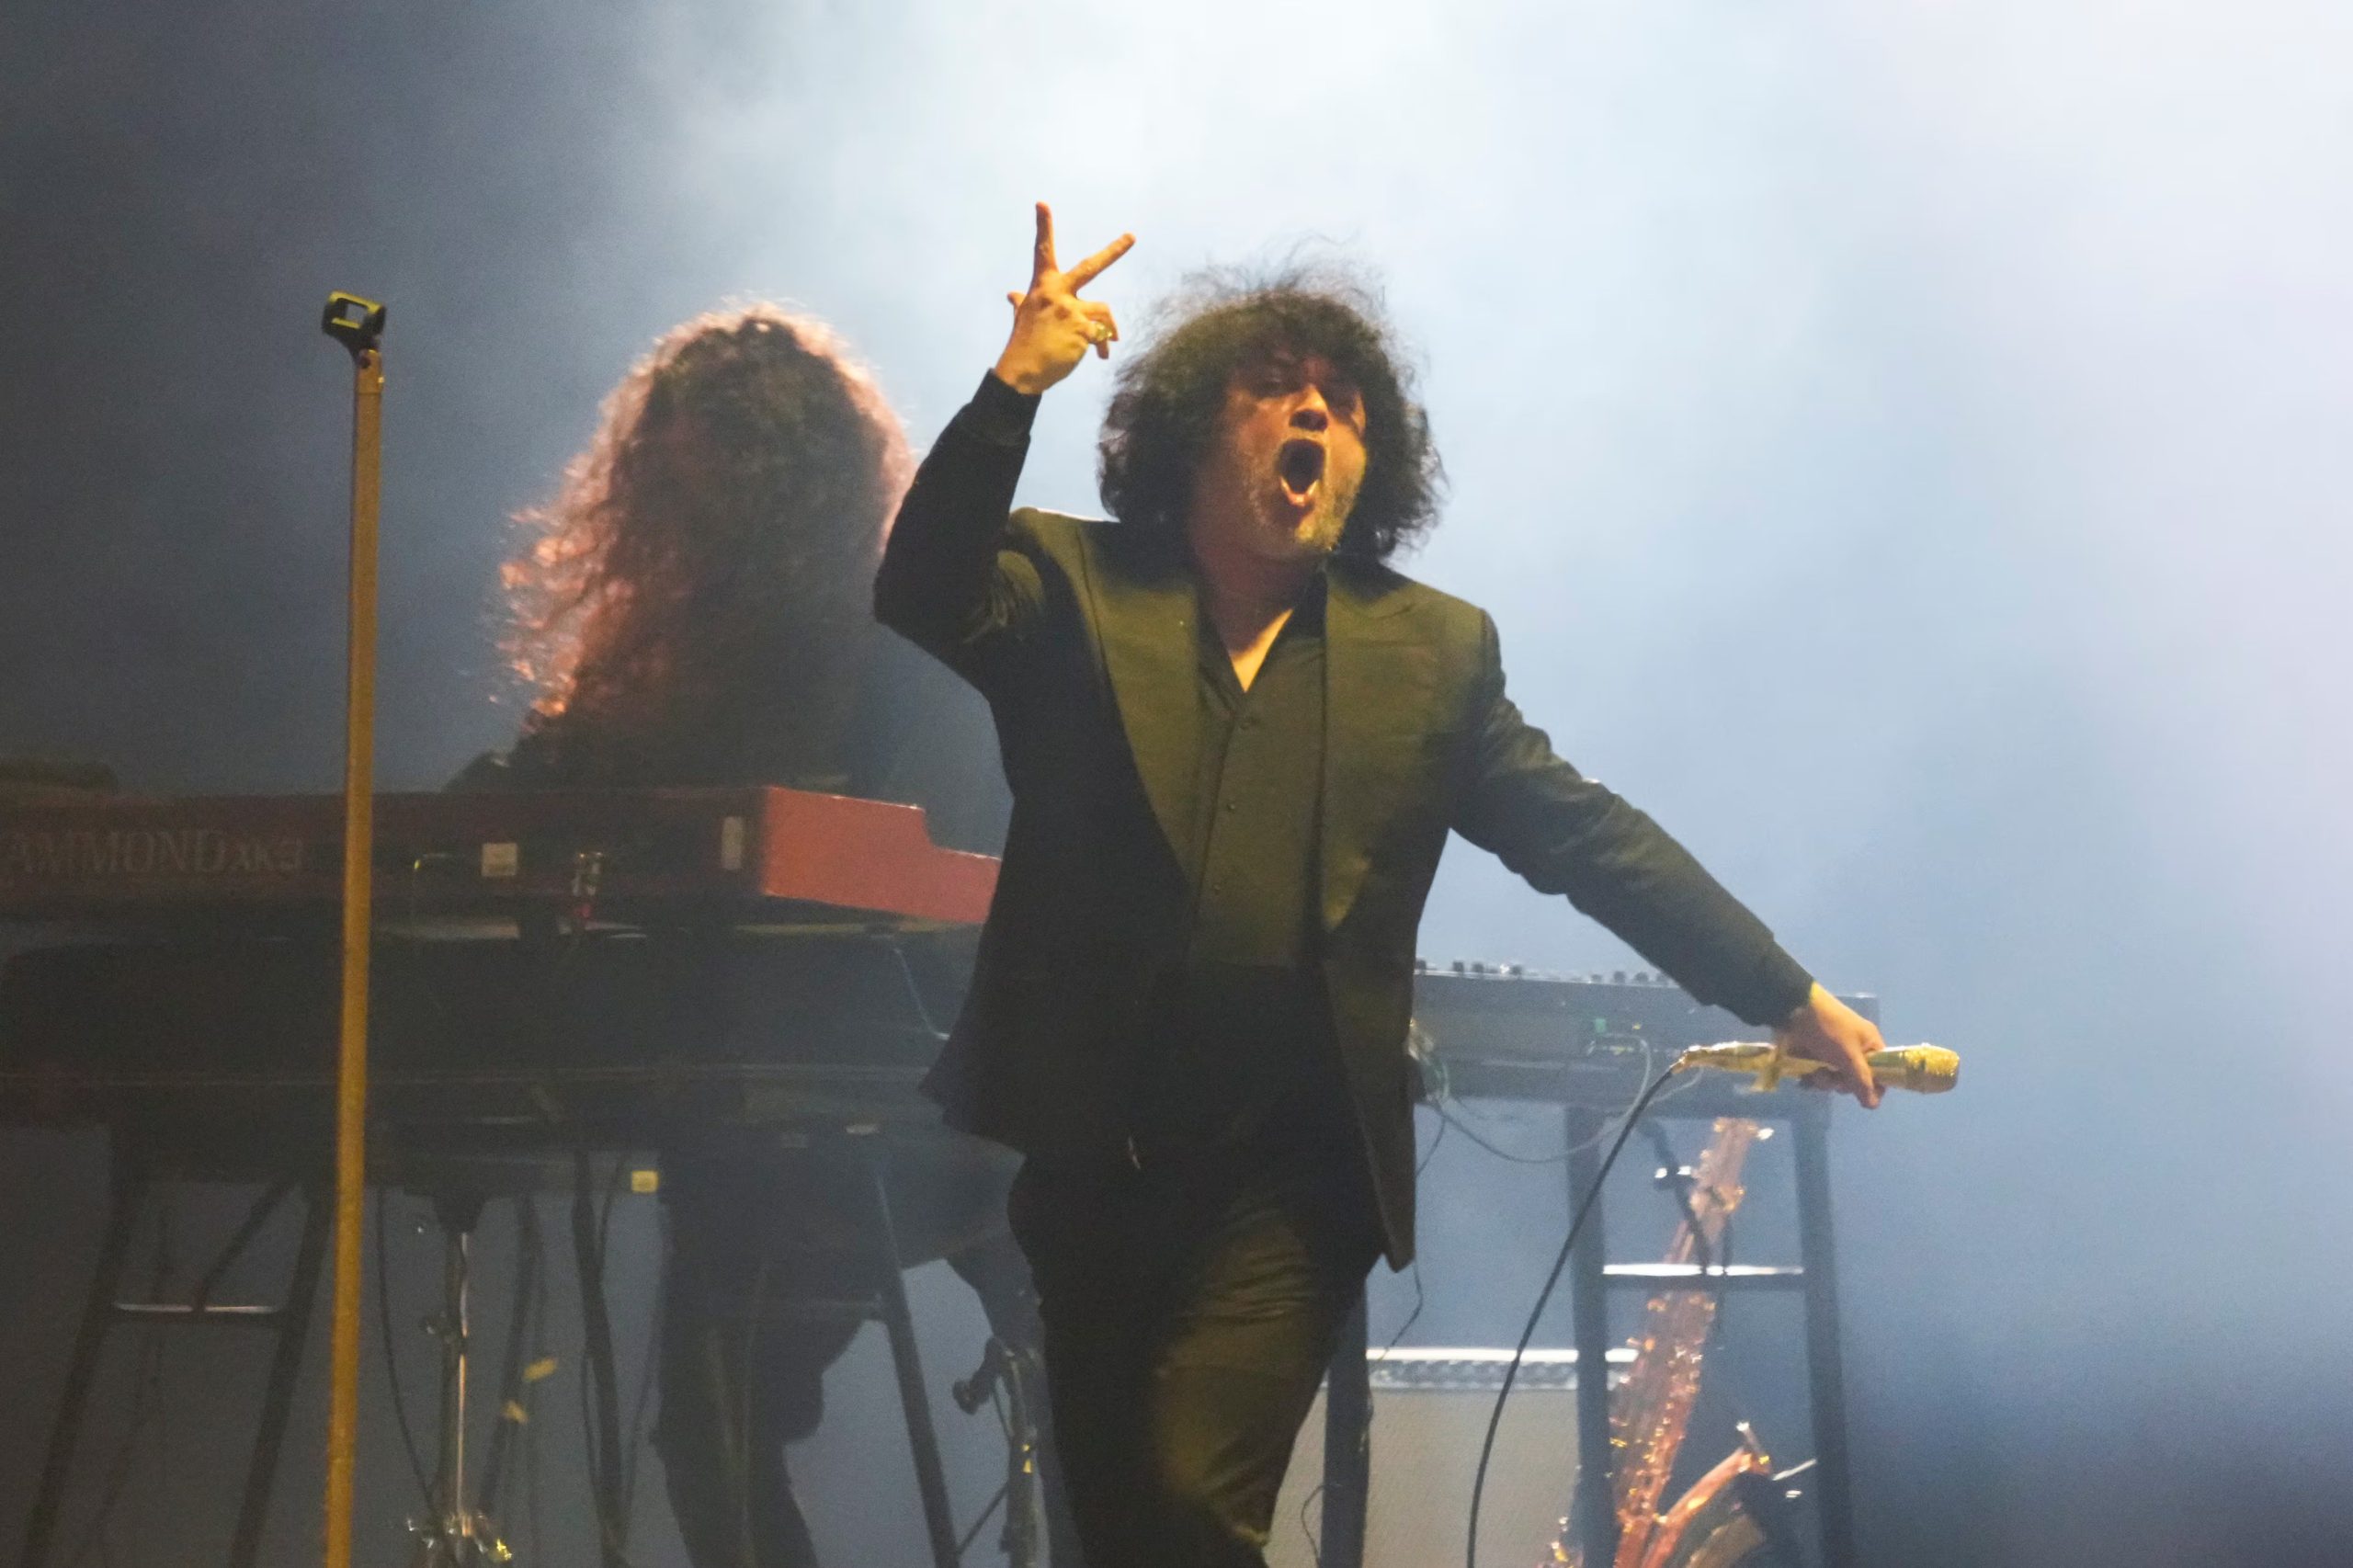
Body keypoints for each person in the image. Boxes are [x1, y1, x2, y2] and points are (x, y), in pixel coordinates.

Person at [873, 203, 1890, 1568]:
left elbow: (1587, 835)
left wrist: (1782, 989)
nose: (1315, 417)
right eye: (1277, 388)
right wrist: (1013, 390)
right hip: (1093, 1158)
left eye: (1345, 405)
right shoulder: (1073, 583)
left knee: (1188, 1502)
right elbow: (919, 588)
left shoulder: (1427, 654)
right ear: (1192, 431)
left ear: (1372, 462)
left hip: (1290, 1179)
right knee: (1110, 1535)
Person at [469, 302, 1071, 1568]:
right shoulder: (668, 671)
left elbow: (953, 885)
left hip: (951, 1101)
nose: (691, 527)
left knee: (1073, 1368)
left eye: (717, 493)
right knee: (709, 1412)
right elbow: (544, 799)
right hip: (763, 1118)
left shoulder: (902, 654)